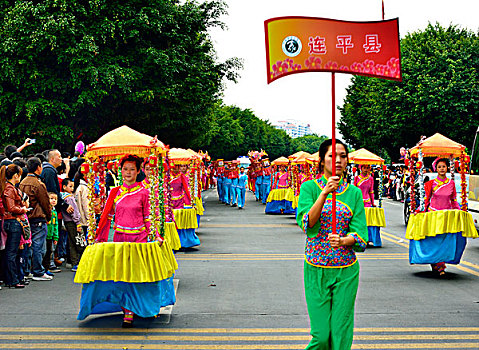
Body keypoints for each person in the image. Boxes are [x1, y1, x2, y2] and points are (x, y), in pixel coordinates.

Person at [85, 154, 174, 327]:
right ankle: (127, 311)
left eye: (132, 169)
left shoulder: (145, 192)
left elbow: (149, 217)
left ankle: (145, 307)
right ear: (120, 171)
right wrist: (99, 237)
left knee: (141, 277)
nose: (128, 172)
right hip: (120, 240)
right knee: (123, 277)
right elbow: (106, 216)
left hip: (139, 241)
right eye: (125, 169)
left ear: (138, 171)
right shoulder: (115, 192)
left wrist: (155, 235)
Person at [296, 139, 368, 350]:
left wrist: (346, 240)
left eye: (342, 156)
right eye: (331, 155)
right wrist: (324, 193)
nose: (337, 160)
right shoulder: (309, 188)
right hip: (316, 269)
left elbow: (361, 232)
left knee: (340, 333)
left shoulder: (354, 193)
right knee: (321, 335)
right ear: (322, 160)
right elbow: (307, 222)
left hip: (346, 271)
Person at [410, 158, 463, 276]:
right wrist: (419, 210)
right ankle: (436, 264)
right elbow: (426, 200)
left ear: (447, 168)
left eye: (444, 166)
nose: (442, 169)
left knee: (444, 240)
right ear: (436, 169)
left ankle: (441, 264)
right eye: (439, 167)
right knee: (434, 240)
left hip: (446, 216)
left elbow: (454, 201)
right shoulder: (431, 183)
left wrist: (460, 211)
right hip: (433, 215)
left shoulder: (451, 184)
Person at [19, 157, 54, 279]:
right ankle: (38, 271)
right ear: (38, 168)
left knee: (28, 245)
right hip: (38, 217)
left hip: (26, 217)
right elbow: (45, 203)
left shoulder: (22, 182)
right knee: (38, 246)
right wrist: (48, 216)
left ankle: (27, 270)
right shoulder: (38, 184)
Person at [1, 164, 30, 288]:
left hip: (11, 222)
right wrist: (23, 209)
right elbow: (12, 207)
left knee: (11, 252)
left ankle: (11, 278)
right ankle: (12, 280)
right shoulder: (9, 188)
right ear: (15, 175)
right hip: (13, 222)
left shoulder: (9, 187)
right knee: (12, 253)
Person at [354, 164, 382, 247]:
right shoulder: (356, 178)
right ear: (361, 168)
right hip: (359, 202)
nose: (366, 170)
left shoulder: (371, 179)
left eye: (367, 168)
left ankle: (369, 239)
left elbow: (371, 191)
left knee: (369, 222)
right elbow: (355, 191)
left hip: (368, 202)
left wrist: (373, 202)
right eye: (364, 168)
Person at [61, 178, 85, 271]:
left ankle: (72, 262)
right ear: (64, 187)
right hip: (73, 222)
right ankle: (77, 262)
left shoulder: (63, 197)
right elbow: (74, 212)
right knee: (78, 241)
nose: (72, 188)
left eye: (73, 186)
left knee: (71, 241)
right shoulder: (69, 198)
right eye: (70, 186)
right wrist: (78, 223)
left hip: (67, 221)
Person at [44, 192, 59, 273]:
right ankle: (45, 267)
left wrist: (56, 236)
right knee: (45, 252)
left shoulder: (54, 212)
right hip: (46, 235)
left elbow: (55, 225)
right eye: (51, 198)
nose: (54, 200)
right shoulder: (47, 211)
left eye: (55, 199)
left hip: (51, 235)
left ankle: (49, 266)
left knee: (51, 251)